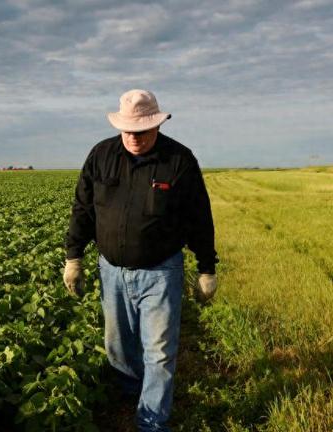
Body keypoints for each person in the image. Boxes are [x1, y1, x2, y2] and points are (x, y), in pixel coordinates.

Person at [63, 89, 218, 431]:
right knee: (117, 346)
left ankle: (151, 422)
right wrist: (74, 256)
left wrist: (207, 267)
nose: (133, 137)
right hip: (112, 270)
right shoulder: (101, 156)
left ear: (156, 125)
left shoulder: (179, 161)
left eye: (141, 130)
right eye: (127, 129)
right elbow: (83, 209)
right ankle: (131, 393)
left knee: (160, 351)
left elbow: (198, 217)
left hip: (160, 271)